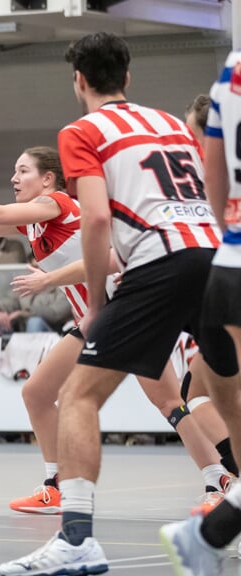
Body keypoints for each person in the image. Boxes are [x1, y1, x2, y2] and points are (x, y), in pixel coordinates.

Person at [0, 32, 236, 575]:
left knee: (77, 396)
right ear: (127, 77)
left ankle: (76, 542)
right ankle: (225, 508)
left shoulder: (82, 131)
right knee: (227, 395)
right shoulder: (173, 125)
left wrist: (98, 303)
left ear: (78, 80)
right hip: (213, 255)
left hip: (158, 262)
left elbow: (97, 218)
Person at [0, 142, 231, 532]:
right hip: (93, 319)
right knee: (38, 394)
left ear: (47, 179)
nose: (14, 178)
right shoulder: (31, 222)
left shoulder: (57, 204)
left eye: (22, 170)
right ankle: (57, 484)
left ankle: (220, 479)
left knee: (169, 402)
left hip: (125, 309)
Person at [160, 50, 241, 573]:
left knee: (201, 391)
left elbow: (215, 181)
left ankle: (209, 534)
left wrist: (227, 234)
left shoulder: (232, 69)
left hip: (230, 262)